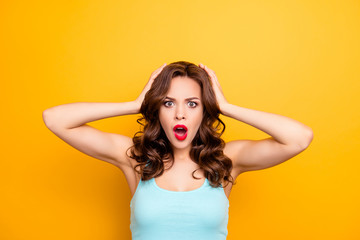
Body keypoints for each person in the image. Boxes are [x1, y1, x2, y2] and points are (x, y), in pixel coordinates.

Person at [42, 61, 313, 240]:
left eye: (193, 104)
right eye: (169, 103)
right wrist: (135, 103)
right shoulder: (136, 159)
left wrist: (226, 107)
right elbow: (55, 119)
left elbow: (299, 138)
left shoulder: (226, 160)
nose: (180, 114)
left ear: (206, 109)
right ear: (157, 108)